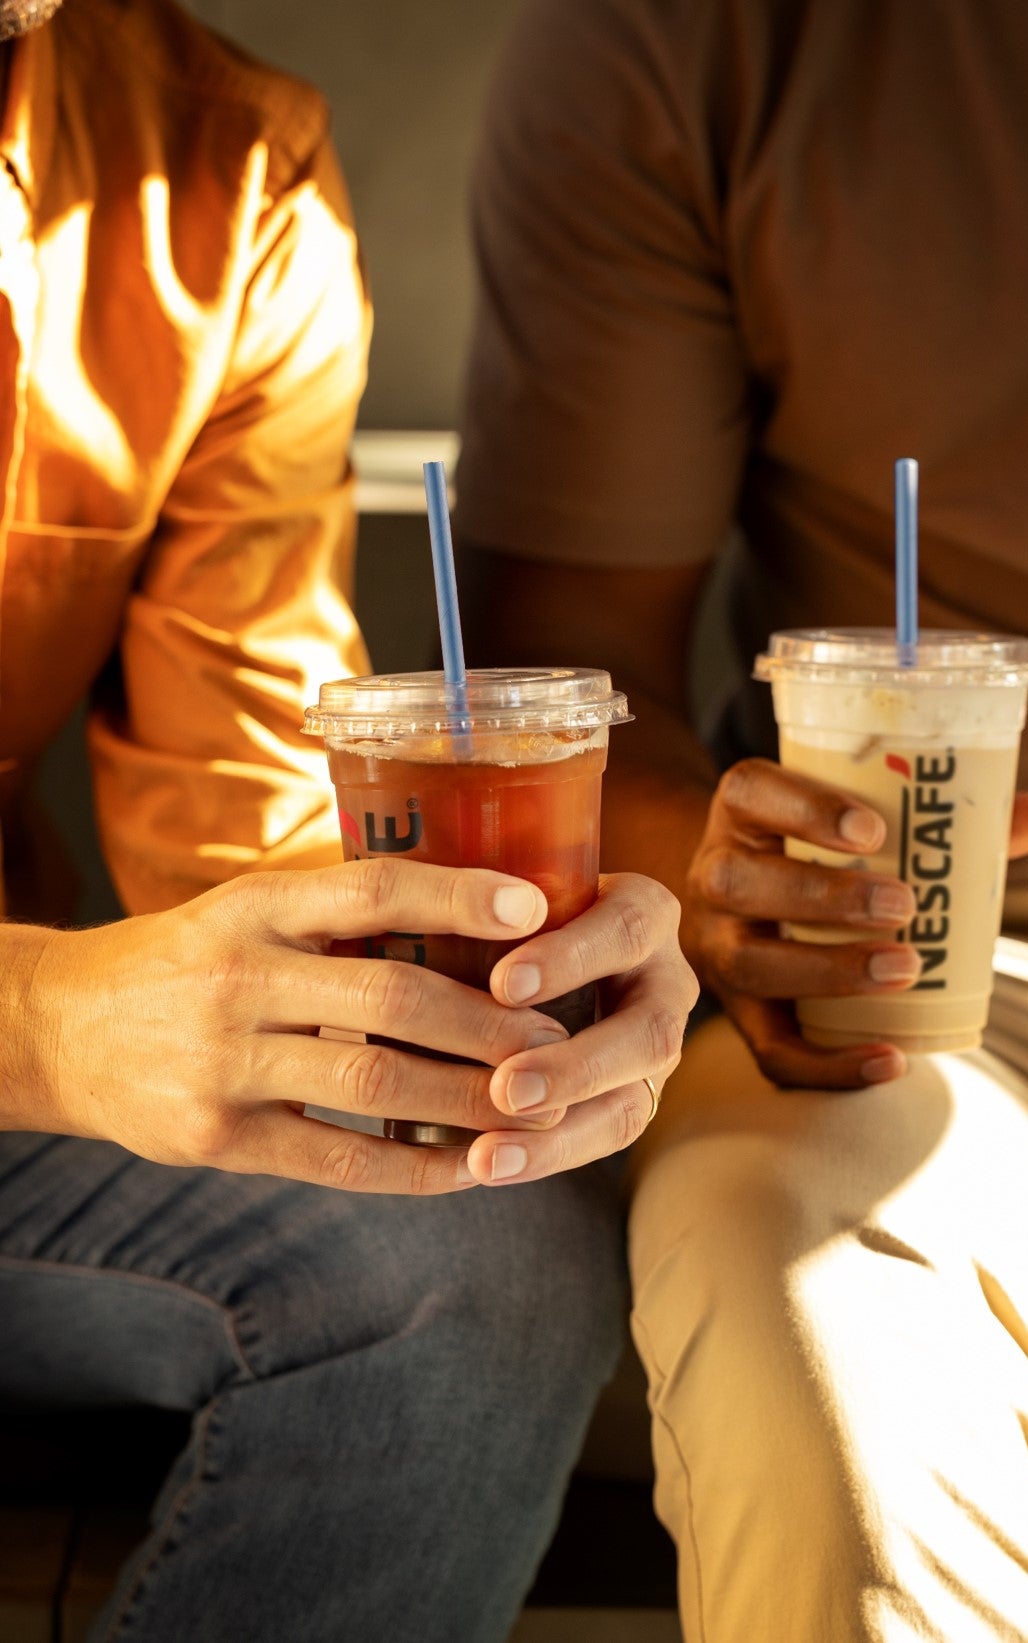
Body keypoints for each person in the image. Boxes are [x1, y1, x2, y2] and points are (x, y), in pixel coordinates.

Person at [0, 2, 698, 1639]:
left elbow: (238, 839)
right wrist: (37, 1023)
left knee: (483, 1264)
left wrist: (443, 1001)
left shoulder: (223, 177)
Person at [453, 0, 1028, 1638]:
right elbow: (580, 693)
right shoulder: (698, 41)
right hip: (971, 985)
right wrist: (742, 886)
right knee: (796, 1291)